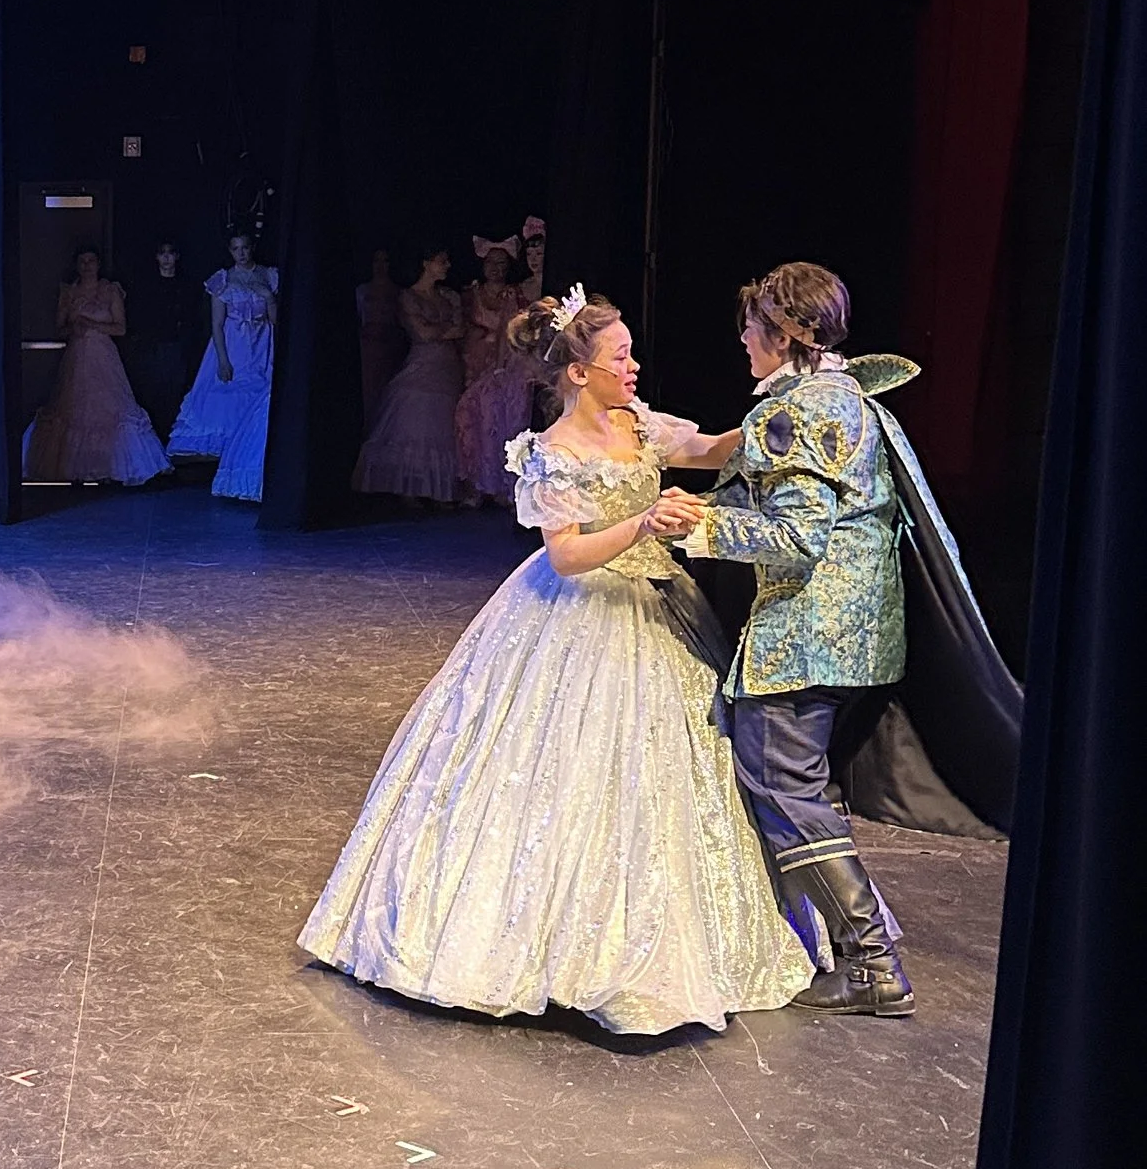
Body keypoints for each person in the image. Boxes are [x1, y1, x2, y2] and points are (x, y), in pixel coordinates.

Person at [301, 288, 808, 1037]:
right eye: (619, 357)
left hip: (656, 605)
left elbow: (708, 449)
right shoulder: (554, 452)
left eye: (631, 352)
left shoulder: (637, 423)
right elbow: (566, 554)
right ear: (577, 373)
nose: (633, 365)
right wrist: (644, 518)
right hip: (582, 615)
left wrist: (784, 402)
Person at [676, 261, 915, 1015]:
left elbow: (798, 535)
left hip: (809, 634)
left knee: (785, 784)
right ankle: (836, 949)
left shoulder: (798, 412)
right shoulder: (841, 392)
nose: (743, 341)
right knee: (796, 785)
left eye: (752, 328)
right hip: (856, 631)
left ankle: (872, 961)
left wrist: (701, 526)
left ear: (785, 334)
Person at [22, 248, 169, 487]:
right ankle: (73, 469)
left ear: (99, 264)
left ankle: (111, 466)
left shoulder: (110, 290)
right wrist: (73, 329)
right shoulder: (69, 292)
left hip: (104, 356)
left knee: (109, 409)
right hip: (77, 356)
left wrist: (90, 324)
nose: (87, 266)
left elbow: (120, 328)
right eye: (82, 261)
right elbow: (59, 328)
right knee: (74, 407)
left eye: (91, 261)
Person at [167, 231, 281, 501]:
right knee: (227, 398)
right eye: (235, 249)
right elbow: (217, 324)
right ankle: (228, 464)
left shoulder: (269, 275)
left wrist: (268, 298)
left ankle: (249, 461)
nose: (241, 253)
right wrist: (222, 359)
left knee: (257, 400)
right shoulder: (223, 280)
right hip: (234, 345)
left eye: (244, 248)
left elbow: (276, 319)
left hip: (261, 344)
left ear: (251, 248)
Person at [350, 248, 466, 503]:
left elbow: (459, 329)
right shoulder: (408, 296)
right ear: (426, 264)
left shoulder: (449, 296)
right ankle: (409, 489)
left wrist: (437, 329)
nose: (447, 265)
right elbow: (421, 334)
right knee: (415, 425)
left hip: (447, 368)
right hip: (421, 366)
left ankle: (439, 492)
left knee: (444, 428)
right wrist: (441, 329)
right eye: (441, 261)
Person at [453, 233, 535, 505]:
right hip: (473, 363)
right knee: (470, 420)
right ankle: (474, 484)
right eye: (492, 262)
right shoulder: (470, 294)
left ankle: (499, 485)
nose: (497, 268)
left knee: (498, 423)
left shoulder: (514, 294)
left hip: (504, 365)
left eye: (502, 262)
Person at [133, 238, 196, 437]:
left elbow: (192, 318)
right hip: (153, 347)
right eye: (162, 253)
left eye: (170, 252)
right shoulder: (146, 287)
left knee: (175, 392)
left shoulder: (186, 286)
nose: (167, 258)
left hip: (177, 348)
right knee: (154, 393)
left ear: (177, 256)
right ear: (156, 257)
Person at [355, 248, 407, 428]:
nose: (380, 266)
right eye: (376, 261)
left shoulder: (398, 293)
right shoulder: (362, 291)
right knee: (368, 393)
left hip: (390, 348)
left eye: (384, 261)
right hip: (368, 349)